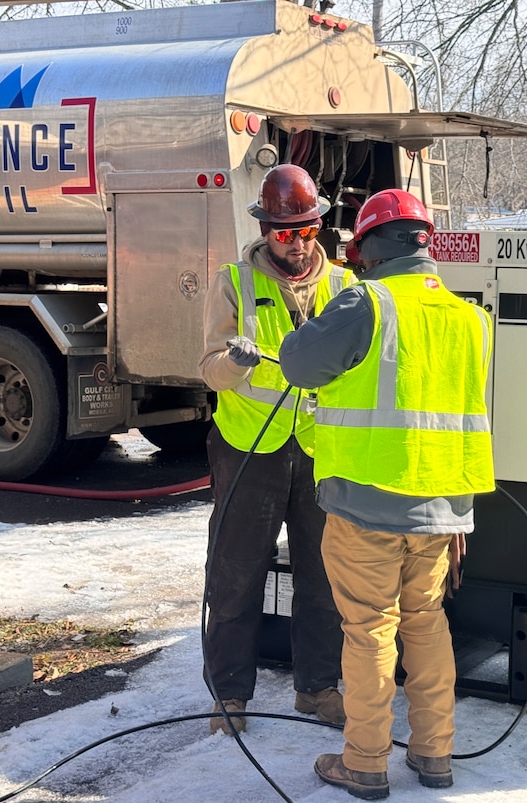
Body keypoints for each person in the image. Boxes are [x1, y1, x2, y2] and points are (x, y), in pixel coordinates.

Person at [278, 188, 495, 800]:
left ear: (366, 246)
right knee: (426, 624)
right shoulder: (469, 315)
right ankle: (434, 755)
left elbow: (298, 366)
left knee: (370, 631)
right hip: (443, 507)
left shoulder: (366, 300)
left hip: (366, 501)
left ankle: (366, 761)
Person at [198, 164, 349, 735]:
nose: (298, 243)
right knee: (237, 574)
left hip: (318, 449)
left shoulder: (343, 289)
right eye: (285, 233)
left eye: (307, 231)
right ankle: (230, 696)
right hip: (248, 450)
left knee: (323, 575)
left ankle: (318, 688)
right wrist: (233, 361)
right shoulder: (232, 283)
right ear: (265, 229)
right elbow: (209, 371)